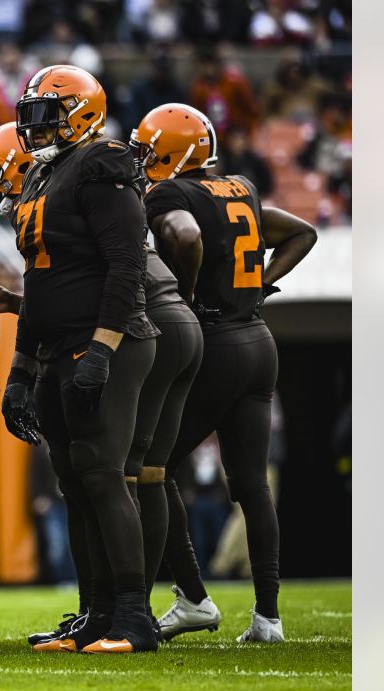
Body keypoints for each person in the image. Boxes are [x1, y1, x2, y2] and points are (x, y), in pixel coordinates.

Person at [135, 102, 317, 644]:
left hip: (212, 342)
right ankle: (268, 618)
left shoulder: (171, 194)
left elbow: (187, 235)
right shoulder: (239, 186)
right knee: (252, 485)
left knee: (152, 468)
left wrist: (187, 297)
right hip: (257, 339)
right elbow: (302, 233)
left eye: (150, 147)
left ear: (174, 149)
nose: (144, 157)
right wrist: (259, 284)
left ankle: (192, 597)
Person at [1, 64, 161, 654]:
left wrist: (102, 347)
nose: (36, 129)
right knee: (74, 480)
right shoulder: (45, 178)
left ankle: (133, 617)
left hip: (104, 341)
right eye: (32, 117)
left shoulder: (102, 166)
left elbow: (127, 266)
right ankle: (95, 614)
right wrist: (21, 367)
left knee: (101, 472)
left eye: (48, 116)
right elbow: (39, 282)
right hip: (56, 346)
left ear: (80, 114)